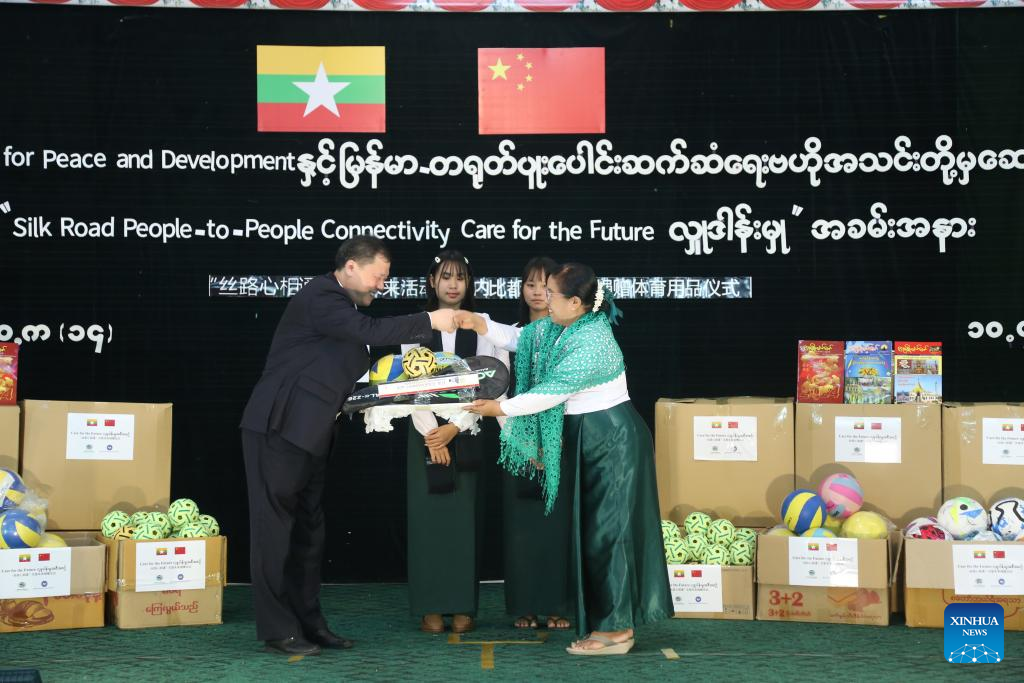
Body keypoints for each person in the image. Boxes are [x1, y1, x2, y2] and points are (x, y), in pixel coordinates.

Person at [239, 236, 458, 656]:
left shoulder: (343, 311)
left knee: (309, 532)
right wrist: (431, 319)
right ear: (352, 266)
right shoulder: (322, 296)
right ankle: (277, 628)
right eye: (379, 276)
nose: (382, 285)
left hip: (312, 433)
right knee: (275, 531)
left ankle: (310, 623)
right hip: (279, 429)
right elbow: (368, 331)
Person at [460, 263, 672, 656]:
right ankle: (609, 624)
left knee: (609, 535)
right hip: (591, 437)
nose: (544, 299)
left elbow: (551, 393)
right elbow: (522, 338)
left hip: (612, 440)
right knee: (594, 535)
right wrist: (478, 324)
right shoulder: (561, 327)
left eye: (551, 294)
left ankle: (617, 631)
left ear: (575, 302)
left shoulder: (593, 340)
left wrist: (499, 409)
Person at [402, 249, 509, 635]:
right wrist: (433, 435)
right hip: (424, 434)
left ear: (469, 283)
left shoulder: (485, 327)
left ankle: (463, 606)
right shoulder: (415, 327)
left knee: (464, 523)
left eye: (460, 277)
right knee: (428, 522)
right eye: (445, 277)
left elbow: (495, 383)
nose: (452, 284)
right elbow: (409, 386)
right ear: (432, 281)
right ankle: (430, 605)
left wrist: (454, 428)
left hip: (468, 431)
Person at [500, 257, 574, 632]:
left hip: (560, 439)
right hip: (516, 440)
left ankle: (558, 605)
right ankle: (525, 606)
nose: (537, 292)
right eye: (530, 284)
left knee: (557, 524)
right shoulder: (509, 336)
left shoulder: (568, 335)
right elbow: (497, 390)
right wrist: (521, 439)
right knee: (522, 528)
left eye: (545, 286)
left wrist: (551, 440)